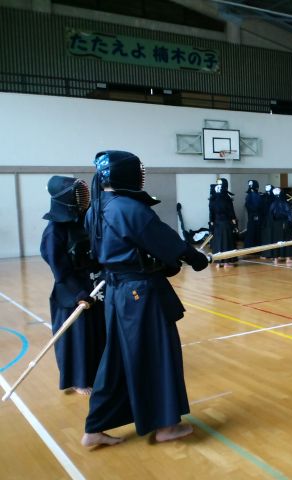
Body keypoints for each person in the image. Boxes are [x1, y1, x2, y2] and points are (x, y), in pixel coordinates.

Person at [82, 150, 209, 447]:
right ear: (126, 174)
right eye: (138, 170)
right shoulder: (128, 208)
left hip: (117, 294)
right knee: (156, 355)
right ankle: (166, 426)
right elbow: (166, 242)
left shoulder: (96, 207)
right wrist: (196, 258)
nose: (142, 175)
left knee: (115, 360)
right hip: (139, 294)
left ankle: (94, 428)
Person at [40, 176, 106, 395]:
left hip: (93, 285)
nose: (83, 199)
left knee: (96, 332)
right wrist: (78, 292)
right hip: (70, 291)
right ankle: (79, 380)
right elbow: (59, 269)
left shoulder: (84, 222)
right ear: (65, 199)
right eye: (78, 195)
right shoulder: (54, 231)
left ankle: (98, 373)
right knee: (77, 337)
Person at [209, 178, 238, 268]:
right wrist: (235, 225)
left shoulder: (213, 199)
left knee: (218, 242)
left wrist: (212, 225)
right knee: (226, 242)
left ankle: (219, 262)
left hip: (217, 224)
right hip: (226, 224)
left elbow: (211, 215)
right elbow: (231, 213)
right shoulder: (226, 198)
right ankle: (226, 263)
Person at [264, 187, 292, 264]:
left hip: (275, 224)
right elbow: (289, 215)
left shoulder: (272, 204)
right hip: (284, 223)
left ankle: (276, 259)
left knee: (276, 240)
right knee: (287, 240)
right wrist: (291, 224)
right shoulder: (285, 203)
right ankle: (288, 258)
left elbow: (270, 215)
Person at [244, 179, 262, 248]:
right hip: (253, 216)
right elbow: (250, 206)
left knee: (255, 231)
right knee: (253, 231)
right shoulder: (251, 195)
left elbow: (257, 206)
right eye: (250, 185)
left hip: (255, 216)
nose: (250, 186)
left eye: (251, 185)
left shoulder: (256, 195)